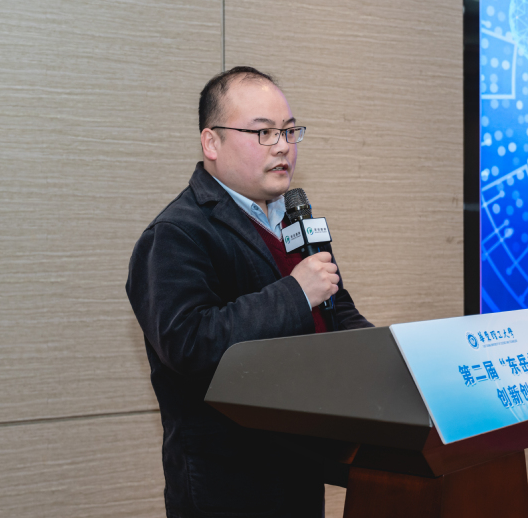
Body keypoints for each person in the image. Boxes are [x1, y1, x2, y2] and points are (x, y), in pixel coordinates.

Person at [126, 66, 372, 518]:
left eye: (289, 131)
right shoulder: (177, 233)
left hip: (301, 466)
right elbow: (188, 343)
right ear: (211, 142)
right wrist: (295, 294)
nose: (282, 146)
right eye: (263, 133)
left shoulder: (293, 219)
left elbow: (334, 310)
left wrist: (393, 355)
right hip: (228, 484)